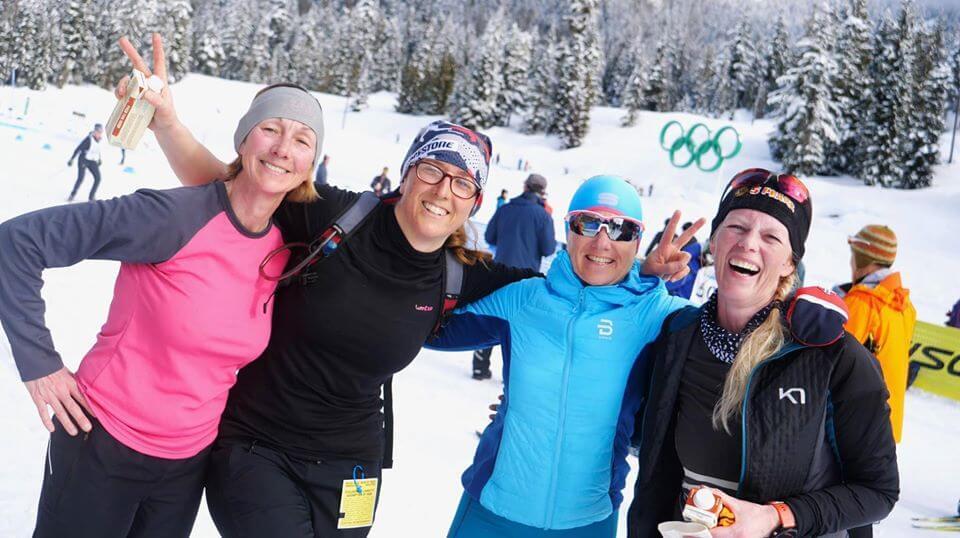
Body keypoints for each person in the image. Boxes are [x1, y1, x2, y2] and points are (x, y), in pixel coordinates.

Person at [114, 34, 693, 537]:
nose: (443, 191)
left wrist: (636, 270)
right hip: (258, 445)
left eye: (462, 183)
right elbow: (231, 189)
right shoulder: (335, 217)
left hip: (352, 467)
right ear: (408, 172)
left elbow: (575, 290)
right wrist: (166, 121)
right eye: (433, 170)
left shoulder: (467, 272)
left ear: (475, 202)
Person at [0, 82, 324, 537]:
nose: (283, 148)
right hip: (102, 444)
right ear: (244, 138)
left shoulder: (285, 249)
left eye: (302, 139)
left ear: (312, 163)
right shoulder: (174, 216)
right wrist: (39, 364)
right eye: (270, 128)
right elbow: (17, 242)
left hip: (185, 468)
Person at [628, 168, 899, 538]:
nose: (749, 243)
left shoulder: (830, 356)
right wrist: (641, 279)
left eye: (771, 236)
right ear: (715, 243)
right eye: (736, 228)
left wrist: (776, 517)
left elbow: (877, 491)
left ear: (790, 262)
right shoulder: (677, 337)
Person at [432, 176, 703, 537]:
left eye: (621, 229)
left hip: (586, 522)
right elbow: (425, 326)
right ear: (568, 229)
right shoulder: (525, 299)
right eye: (587, 223)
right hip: (491, 512)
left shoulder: (654, 316)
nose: (602, 241)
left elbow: (732, 336)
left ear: (638, 240)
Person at [834, 224, 916, 444]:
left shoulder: (862, 303)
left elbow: (830, 360)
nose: (851, 262)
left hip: (855, 424)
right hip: (885, 425)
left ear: (863, 260)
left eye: (854, 255)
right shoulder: (904, 306)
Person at [473, 173, 557, 380]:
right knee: (520, 325)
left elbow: (489, 236)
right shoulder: (543, 216)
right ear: (542, 191)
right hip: (527, 278)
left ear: (525, 187)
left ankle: (479, 367)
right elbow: (548, 248)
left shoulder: (506, 209)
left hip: (499, 272)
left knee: (493, 317)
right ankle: (512, 374)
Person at [664, 221, 703, 299]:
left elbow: (685, 258)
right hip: (687, 272)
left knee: (677, 290)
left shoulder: (695, 245)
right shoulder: (694, 244)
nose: (683, 233)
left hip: (688, 272)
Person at [67, 123, 104, 201]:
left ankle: (91, 197)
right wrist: (72, 159)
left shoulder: (100, 140)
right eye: (98, 131)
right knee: (81, 178)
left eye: (101, 131)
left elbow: (97, 150)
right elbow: (78, 149)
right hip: (83, 160)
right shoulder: (88, 139)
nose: (99, 133)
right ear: (94, 131)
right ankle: (72, 195)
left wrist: (99, 159)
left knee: (98, 178)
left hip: (92, 161)